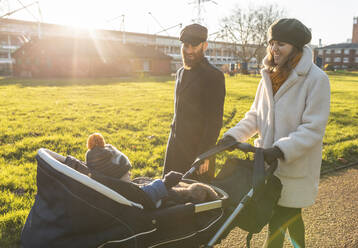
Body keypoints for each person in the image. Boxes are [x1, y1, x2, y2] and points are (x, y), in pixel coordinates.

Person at [218, 18, 330, 247]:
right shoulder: (268, 76)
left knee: (282, 219)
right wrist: (233, 136)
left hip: (294, 164)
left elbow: (313, 128)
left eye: (281, 44)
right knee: (283, 216)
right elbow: (255, 116)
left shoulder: (316, 79)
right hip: (268, 165)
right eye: (271, 43)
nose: (274, 49)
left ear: (296, 47)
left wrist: (280, 149)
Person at [163, 23, 226, 181]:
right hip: (175, 148)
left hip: (198, 154)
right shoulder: (180, 73)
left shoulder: (214, 76)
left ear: (204, 46)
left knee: (196, 200)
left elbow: (214, 121)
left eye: (194, 45)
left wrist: (205, 154)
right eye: (186, 45)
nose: (189, 50)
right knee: (169, 196)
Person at [85, 133, 183, 208]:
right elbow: (144, 195)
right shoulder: (123, 192)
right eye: (126, 172)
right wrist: (166, 183)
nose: (130, 173)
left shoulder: (106, 188)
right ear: (115, 177)